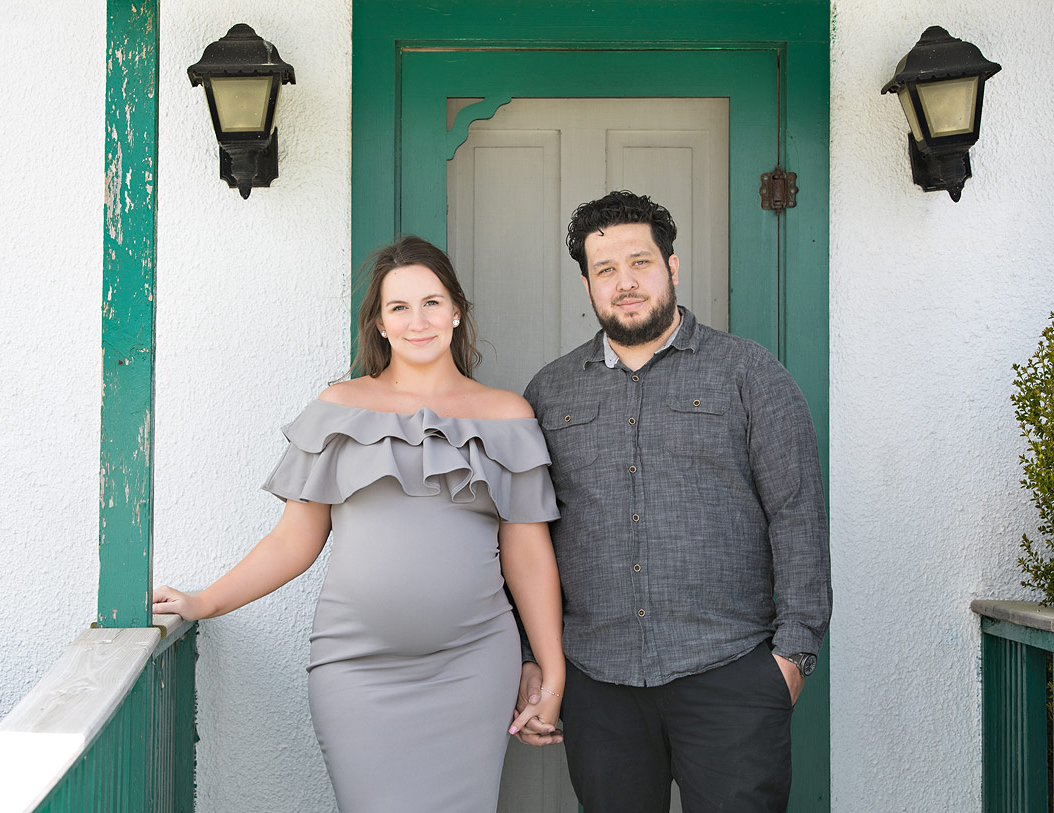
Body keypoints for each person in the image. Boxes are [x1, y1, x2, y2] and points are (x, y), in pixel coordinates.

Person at [153, 235, 566, 813]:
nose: (417, 320)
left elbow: (528, 556)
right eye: (398, 307)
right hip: (358, 669)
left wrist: (552, 669)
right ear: (378, 324)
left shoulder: (506, 415)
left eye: (431, 302)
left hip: (473, 666)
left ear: (456, 312)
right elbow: (292, 541)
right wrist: (203, 603)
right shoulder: (339, 407)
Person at [514, 191, 831, 812]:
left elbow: (798, 516)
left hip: (731, 673)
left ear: (673, 268)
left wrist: (792, 654)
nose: (624, 282)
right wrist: (532, 655)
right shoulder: (549, 392)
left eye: (640, 262)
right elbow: (528, 539)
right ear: (586, 283)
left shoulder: (749, 374)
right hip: (597, 682)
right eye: (605, 270)